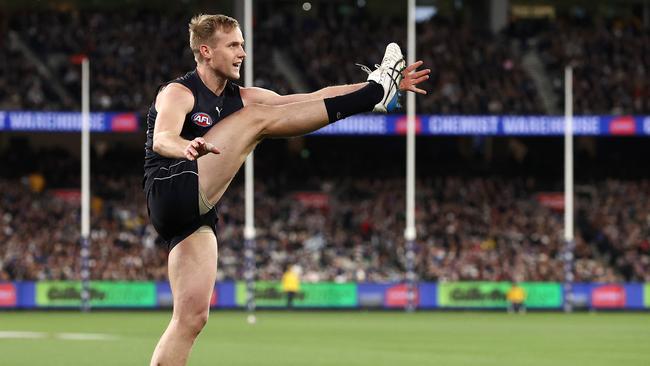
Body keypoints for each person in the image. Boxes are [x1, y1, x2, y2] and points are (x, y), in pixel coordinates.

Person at [144, 14, 430, 366]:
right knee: (257, 119)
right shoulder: (179, 91)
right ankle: (376, 91)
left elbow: (313, 100)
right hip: (172, 185)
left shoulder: (245, 98)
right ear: (205, 50)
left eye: (243, 45)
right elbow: (162, 138)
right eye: (233, 45)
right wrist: (186, 146)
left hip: (195, 215)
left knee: (191, 319)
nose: (242, 53)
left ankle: (376, 91)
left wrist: (372, 90)